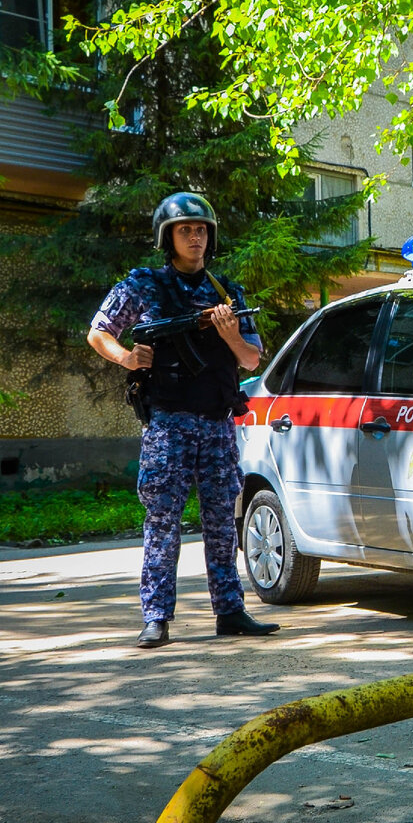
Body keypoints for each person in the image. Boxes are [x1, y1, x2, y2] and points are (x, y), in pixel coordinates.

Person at [87, 191, 279, 649]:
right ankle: (155, 616)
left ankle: (230, 611)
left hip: (216, 422)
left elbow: (252, 361)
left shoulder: (227, 292)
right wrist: (129, 358)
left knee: (220, 521)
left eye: (201, 230)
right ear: (167, 236)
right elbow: (98, 332)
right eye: (184, 229)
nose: (194, 237)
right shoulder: (144, 285)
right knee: (163, 522)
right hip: (168, 423)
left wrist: (231, 335)